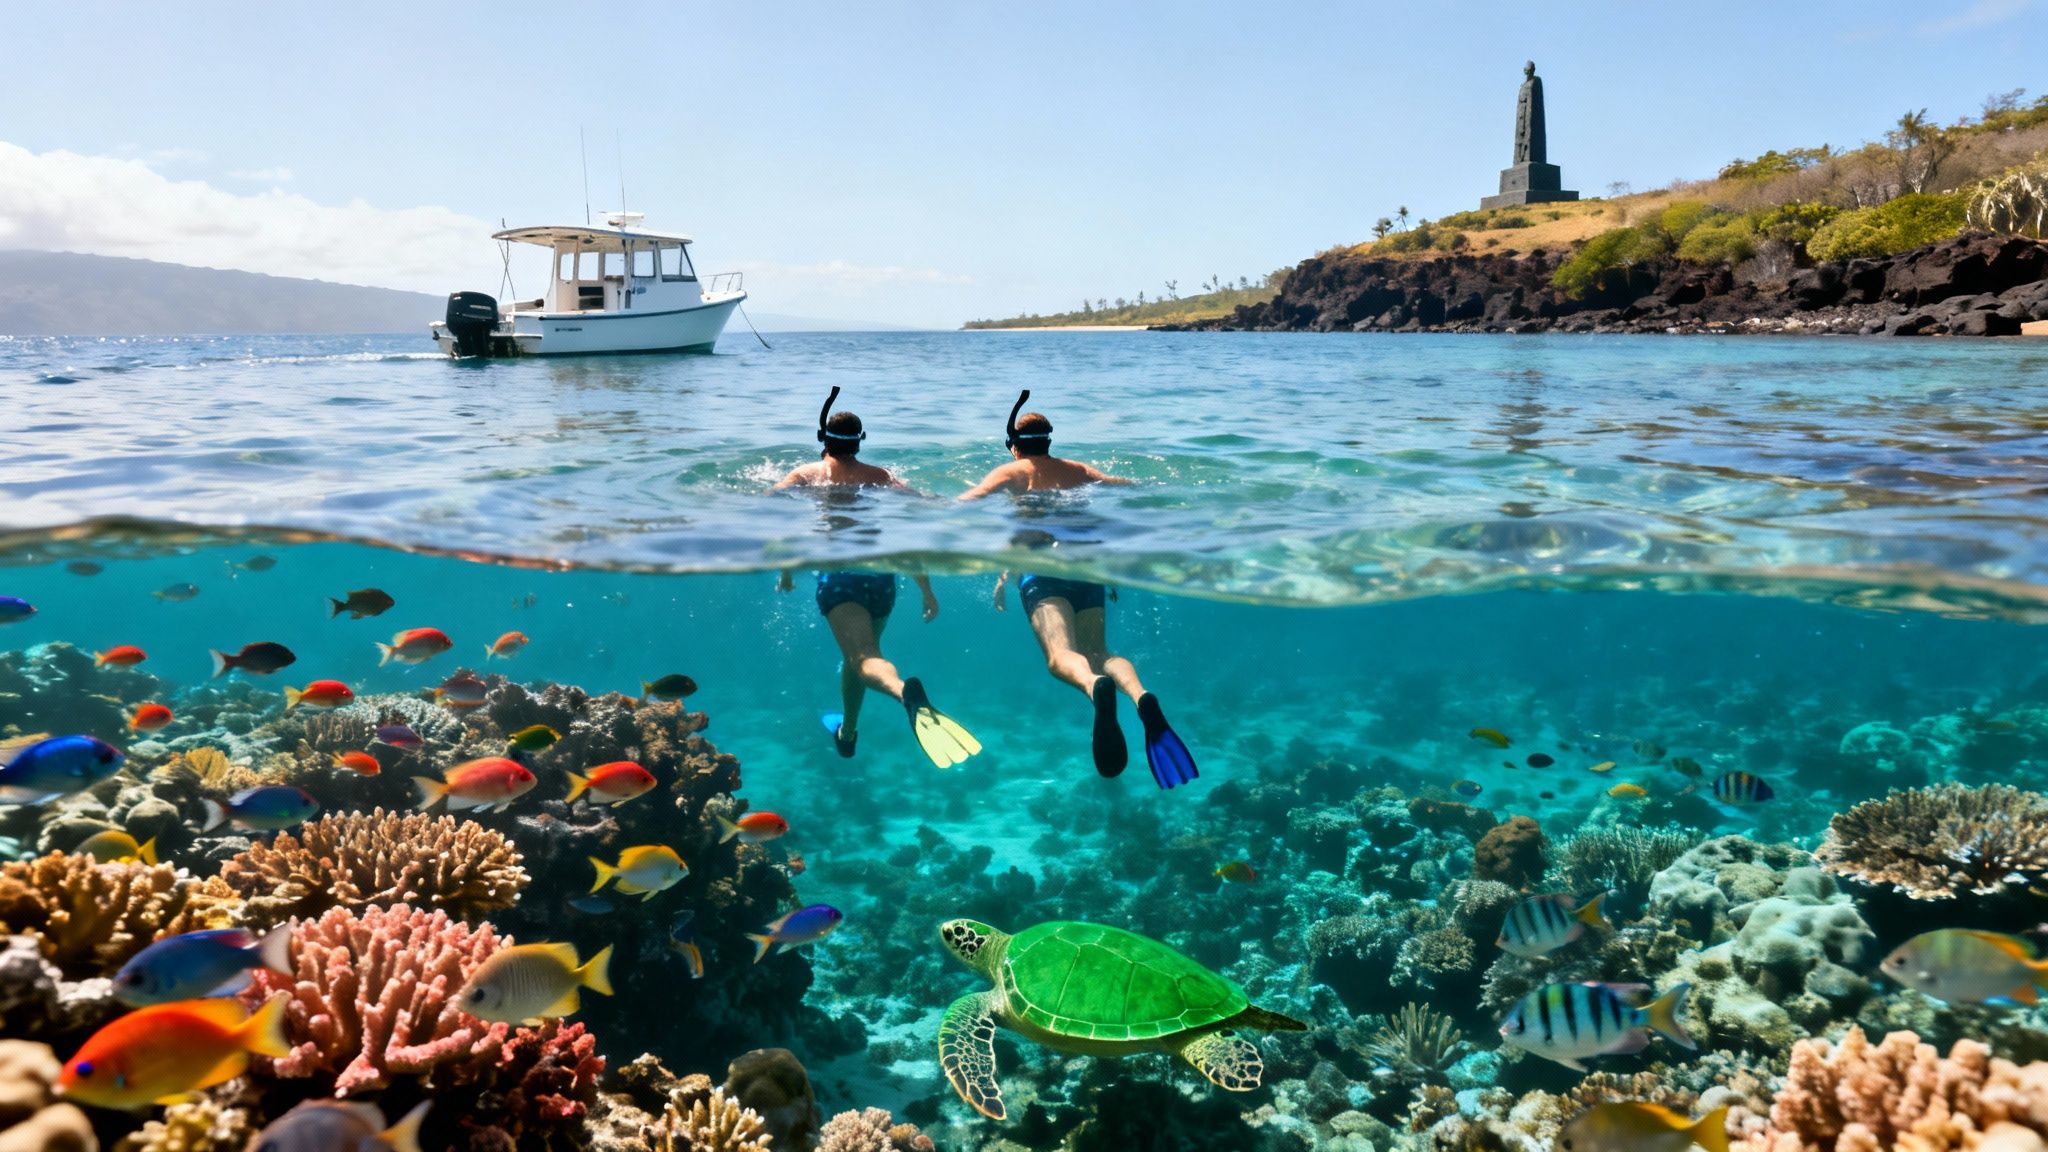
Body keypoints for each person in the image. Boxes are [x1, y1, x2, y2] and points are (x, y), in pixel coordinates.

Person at [958, 390, 1197, 788]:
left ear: (1013, 447)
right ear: (1049, 441)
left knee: (1061, 658)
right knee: (1100, 652)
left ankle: (1093, 688)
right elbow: (1128, 487)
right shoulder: (1080, 470)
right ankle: (1140, 696)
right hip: (1088, 567)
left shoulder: (1010, 473)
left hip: (1044, 570)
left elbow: (969, 501)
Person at [773, 388, 980, 768]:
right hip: (881, 579)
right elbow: (916, 507)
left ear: (824, 440)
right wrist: (926, 589)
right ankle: (847, 734)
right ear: (860, 442)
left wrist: (786, 572)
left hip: (840, 580)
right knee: (859, 659)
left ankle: (905, 694)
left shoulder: (806, 476)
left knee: (866, 659)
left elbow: (773, 510)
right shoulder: (880, 477)